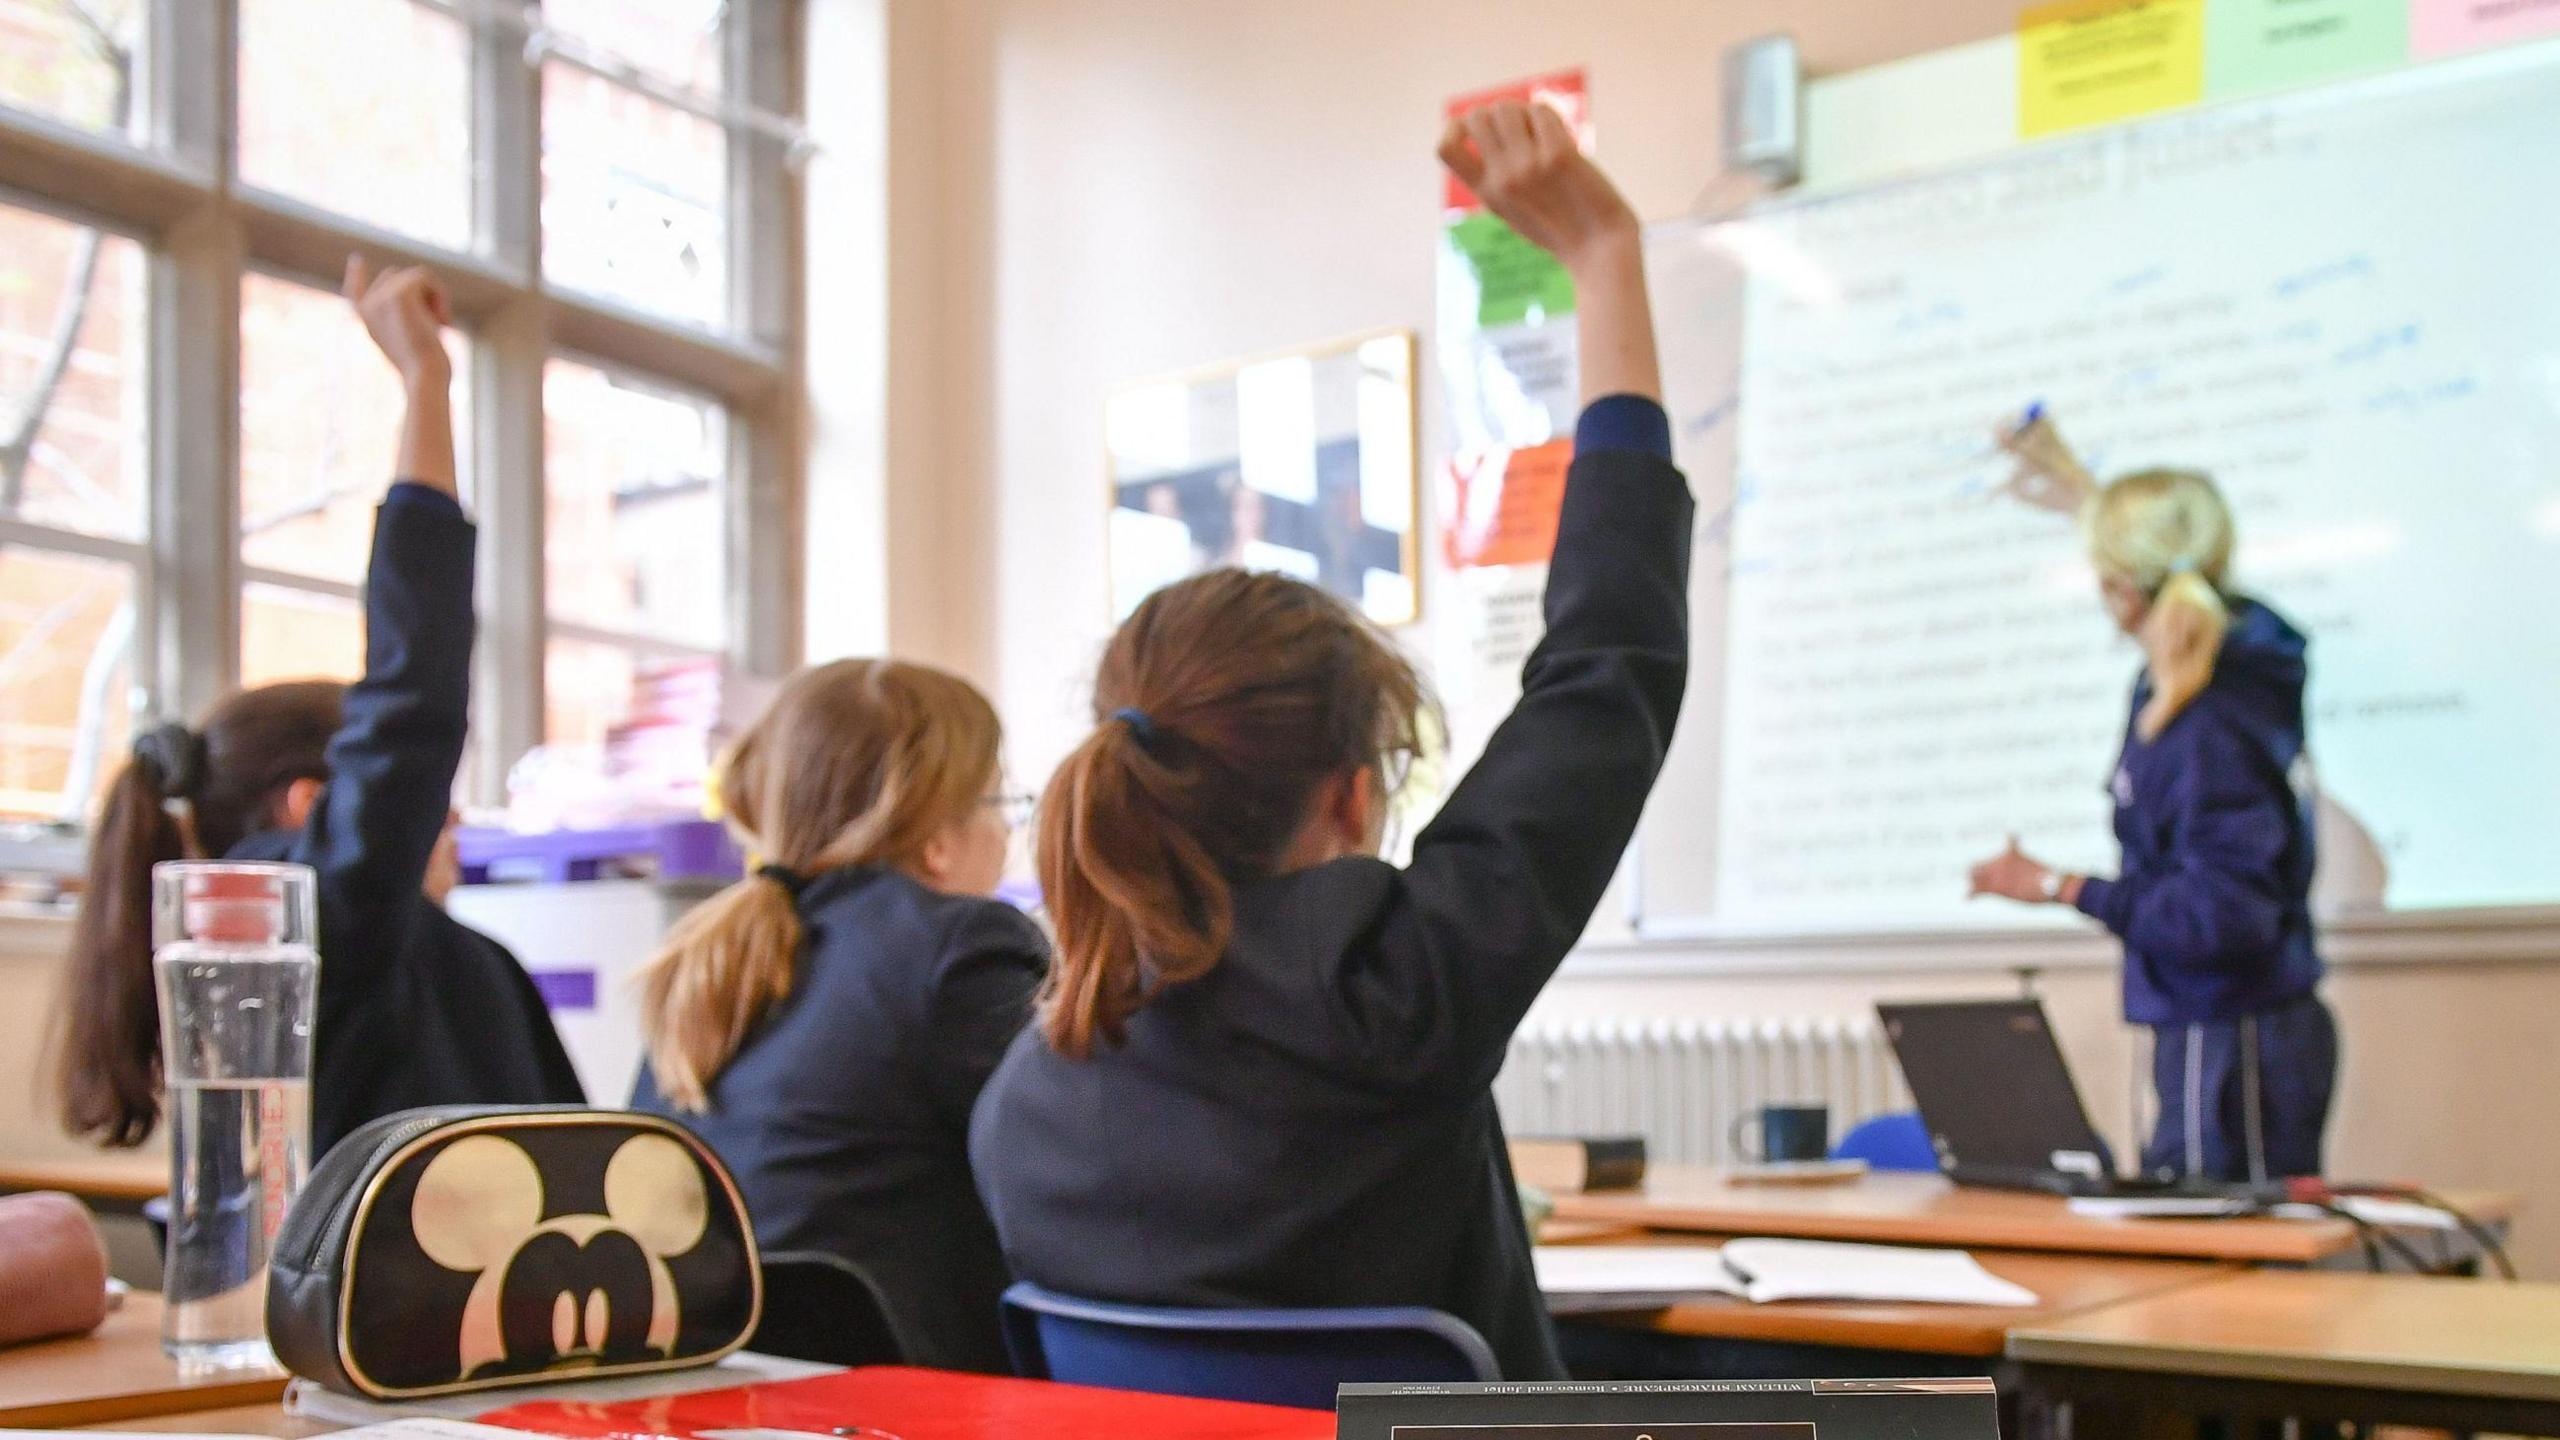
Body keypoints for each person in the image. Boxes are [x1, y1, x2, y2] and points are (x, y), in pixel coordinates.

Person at [969, 99, 1691, 1381]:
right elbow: (1608, 665)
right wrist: (1603, 258)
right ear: (1351, 799)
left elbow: (1603, 671)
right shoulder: (1398, 993)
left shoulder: (1024, 1098)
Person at [57, 257, 583, 1156]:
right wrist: (427, 384)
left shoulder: (456, 959)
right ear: (308, 805)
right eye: (424, 795)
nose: (445, 814)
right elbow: (411, 698)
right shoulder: (296, 930)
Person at [631, 659, 1045, 1375]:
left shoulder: (704, 961)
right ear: (938, 841)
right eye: (999, 804)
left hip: (722, 1383)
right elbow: (1058, 1180)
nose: (1006, 834)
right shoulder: (962, 945)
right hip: (909, 1394)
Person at [1969, 414, 2335, 1183]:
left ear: (2120, 587)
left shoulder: (2205, 720)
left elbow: (2220, 917)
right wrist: (2073, 482)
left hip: (2231, 1036)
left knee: (2221, 1280)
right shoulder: (2227, 674)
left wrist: (2058, 886)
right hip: (2223, 1027)